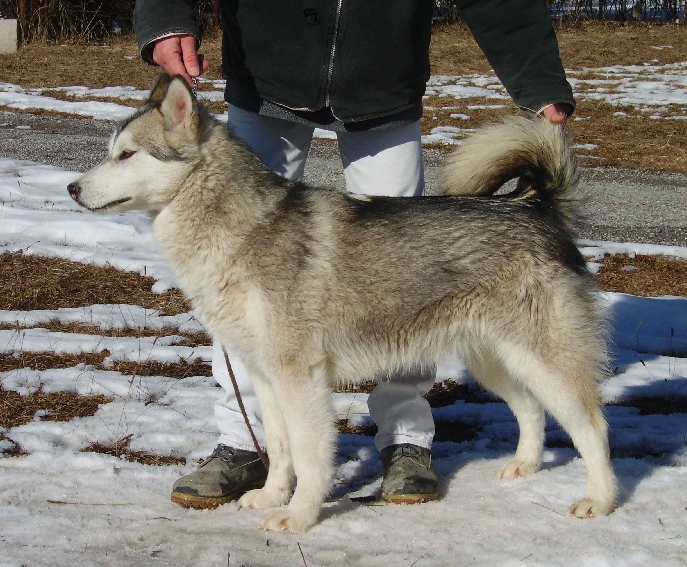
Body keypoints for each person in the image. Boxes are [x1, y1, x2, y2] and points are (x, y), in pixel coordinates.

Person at [132, 0, 575, 509]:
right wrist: (165, 21)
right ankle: (245, 440)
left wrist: (538, 79)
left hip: (382, 79)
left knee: (413, 272)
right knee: (236, 285)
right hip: (265, 65)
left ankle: (405, 434)